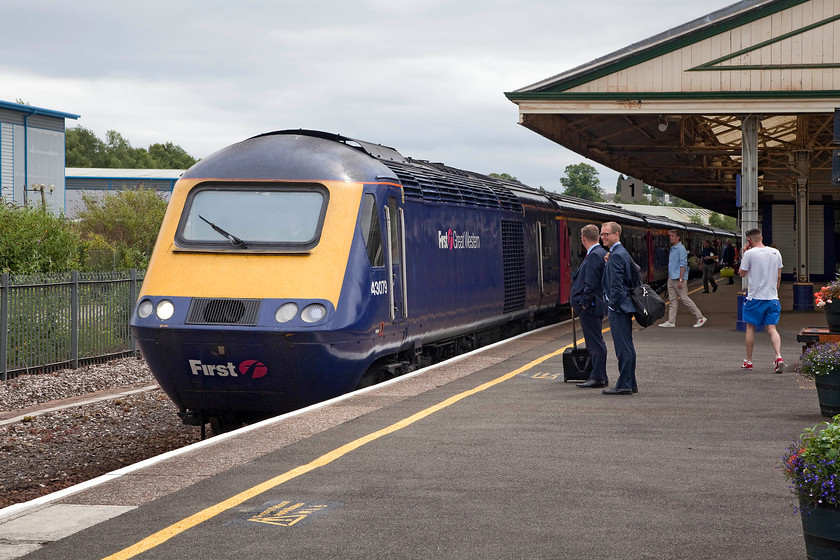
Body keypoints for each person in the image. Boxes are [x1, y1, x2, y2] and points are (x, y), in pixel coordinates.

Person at [738, 228, 785, 373]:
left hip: (755, 299)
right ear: (762, 237)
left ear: (749, 241)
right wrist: (774, 291)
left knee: (750, 327)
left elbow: (742, 273)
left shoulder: (749, 253)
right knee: (772, 328)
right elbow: (778, 276)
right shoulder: (775, 252)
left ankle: (749, 361)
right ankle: (778, 356)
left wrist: (744, 254)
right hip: (772, 298)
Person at [599, 221, 637, 395]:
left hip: (619, 307)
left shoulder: (616, 254)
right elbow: (636, 269)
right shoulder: (620, 253)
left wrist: (613, 305)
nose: (603, 237)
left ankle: (624, 385)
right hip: (624, 305)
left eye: (606, 234)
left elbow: (615, 285)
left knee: (622, 347)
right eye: (601, 233)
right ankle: (630, 382)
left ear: (616, 235)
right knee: (627, 346)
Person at [569, 224, 608, 388]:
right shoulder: (601, 253)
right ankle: (600, 375)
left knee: (594, 342)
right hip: (595, 305)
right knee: (596, 340)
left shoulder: (594, 256)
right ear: (597, 237)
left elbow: (590, 283)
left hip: (591, 306)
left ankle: (598, 377)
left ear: (583, 239)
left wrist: (584, 304)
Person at [658, 230, 707, 328]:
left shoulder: (681, 249)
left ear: (678, 237)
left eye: (672, 236)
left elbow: (683, 265)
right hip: (672, 278)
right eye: (670, 236)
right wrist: (669, 277)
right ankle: (671, 321)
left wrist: (681, 280)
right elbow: (671, 264)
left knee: (684, 298)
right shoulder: (672, 248)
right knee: (672, 300)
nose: (670, 237)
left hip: (678, 278)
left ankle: (700, 317)